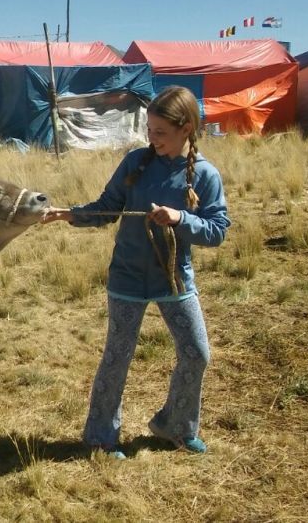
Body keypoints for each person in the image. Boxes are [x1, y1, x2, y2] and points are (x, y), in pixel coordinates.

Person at [41, 86, 230, 459]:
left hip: (174, 281)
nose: (152, 139)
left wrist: (180, 219)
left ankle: (174, 425)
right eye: (149, 130)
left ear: (186, 128)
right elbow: (108, 207)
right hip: (126, 279)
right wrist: (69, 214)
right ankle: (100, 437)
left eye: (160, 132)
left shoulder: (206, 175)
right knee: (117, 357)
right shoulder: (134, 163)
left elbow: (218, 230)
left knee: (196, 354)